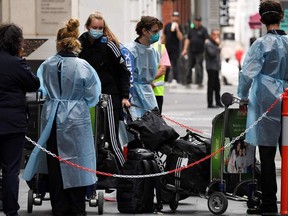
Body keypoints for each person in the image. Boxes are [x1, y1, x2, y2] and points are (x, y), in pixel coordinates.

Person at [23, 18, 101, 216]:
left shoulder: (47, 65)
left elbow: (40, 88)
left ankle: (59, 206)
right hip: (76, 117)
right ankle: (77, 207)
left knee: (55, 163)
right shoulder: (83, 66)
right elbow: (93, 95)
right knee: (78, 162)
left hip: (52, 116)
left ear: (58, 42)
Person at [237, 1, 287, 214]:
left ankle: (268, 204)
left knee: (266, 155)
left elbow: (247, 74)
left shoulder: (260, 44)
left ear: (261, 19)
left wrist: (242, 99)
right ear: (281, 17)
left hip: (266, 100)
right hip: (287, 98)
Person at [78, 12, 130, 169]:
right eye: (94, 27)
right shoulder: (79, 45)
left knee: (111, 137)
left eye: (100, 28)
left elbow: (123, 71)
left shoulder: (109, 44)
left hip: (108, 95)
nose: (97, 30)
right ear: (87, 27)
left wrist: (125, 96)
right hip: (86, 96)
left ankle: (124, 173)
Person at [0, 23, 40, 216]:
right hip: (13, 124)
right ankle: (10, 211)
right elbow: (34, 83)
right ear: (16, 42)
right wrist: (22, 62)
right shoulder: (17, 63)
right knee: (10, 170)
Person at [125, 15, 163, 118]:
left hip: (149, 94)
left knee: (152, 125)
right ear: (145, 31)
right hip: (133, 94)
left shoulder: (154, 52)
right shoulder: (129, 50)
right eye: (155, 32)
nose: (157, 35)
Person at [182, 16, 209, 88]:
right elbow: (187, 40)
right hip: (191, 51)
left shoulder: (203, 30)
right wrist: (185, 49)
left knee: (199, 66)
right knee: (189, 66)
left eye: (199, 21)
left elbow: (206, 40)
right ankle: (188, 81)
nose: (197, 22)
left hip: (200, 52)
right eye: (196, 21)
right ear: (194, 21)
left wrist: (207, 48)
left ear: (200, 22)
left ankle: (199, 82)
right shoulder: (191, 30)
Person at [161, 11, 183, 85]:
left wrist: (177, 29)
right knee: (166, 64)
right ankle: (166, 80)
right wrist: (162, 46)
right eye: (174, 16)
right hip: (167, 48)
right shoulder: (167, 25)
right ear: (172, 17)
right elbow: (164, 36)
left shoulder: (179, 26)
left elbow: (181, 38)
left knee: (174, 64)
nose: (175, 18)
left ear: (178, 18)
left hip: (175, 49)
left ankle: (174, 79)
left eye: (177, 17)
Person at [204, 29, 223, 108]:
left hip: (216, 67)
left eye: (217, 35)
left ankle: (218, 101)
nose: (216, 37)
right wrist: (218, 47)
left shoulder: (214, 43)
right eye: (214, 35)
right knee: (211, 85)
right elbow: (212, 54)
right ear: (211, 35)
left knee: (217, 85)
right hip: (211, 67)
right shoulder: (208, 43)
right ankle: (210, 102)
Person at [152, 42, 171, 114]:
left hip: (156, 90)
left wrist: (148, 81)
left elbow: (162, 70)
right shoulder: (137, 47)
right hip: (144, 91)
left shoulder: (160, 48)